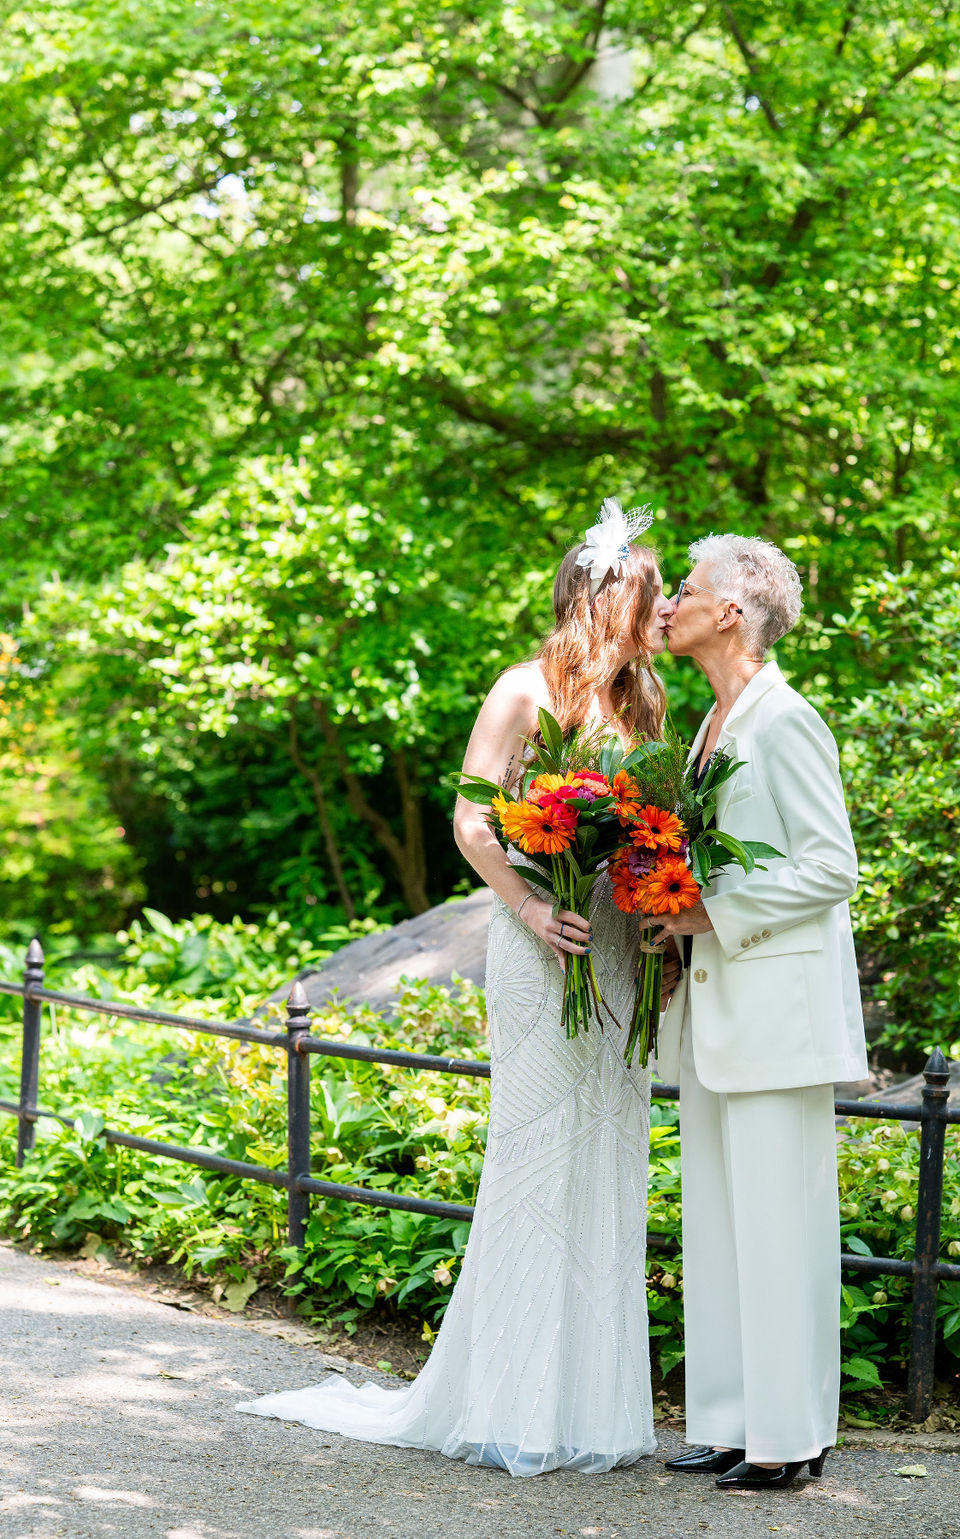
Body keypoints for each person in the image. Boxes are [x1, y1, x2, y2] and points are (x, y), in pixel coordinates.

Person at [238, 499, 675, 1476]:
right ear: (604, 598)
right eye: (650, 593)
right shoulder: (522, 688)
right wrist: (526, 909)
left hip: (612, 943)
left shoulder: (645, 702)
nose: (662, 610)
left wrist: (653, 906)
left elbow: (652, 826)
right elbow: (473, 820)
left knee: (605, 1153)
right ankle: (509, 1402)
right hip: (541, 939)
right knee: (535, 1156)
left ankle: (592, 1413)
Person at [651, 533, 868, 1492]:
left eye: (685, 591)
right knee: (722, 1226)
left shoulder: (785, 719)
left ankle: (791, 1437)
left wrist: (711, 912)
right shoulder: (711, 722)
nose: (668, 605)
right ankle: (734, 1421)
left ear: (730, 612)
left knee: (782, 1229)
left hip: (776, 1013)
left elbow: (833, 866)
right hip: (713, 1009)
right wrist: (668, 917)